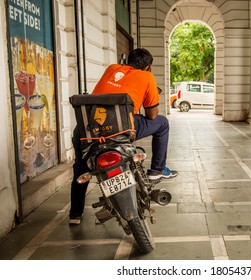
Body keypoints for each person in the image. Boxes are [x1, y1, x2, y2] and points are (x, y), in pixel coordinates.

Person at [69, 48, 178, 225]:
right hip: (121, 128)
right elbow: (152, 115)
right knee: (162, 123)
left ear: (127, 61)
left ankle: (75, 214)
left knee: (80, 168)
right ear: (148, 67)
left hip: (89, 130)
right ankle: (156, 170)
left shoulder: (112, 68)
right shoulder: (147, 77)